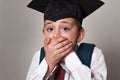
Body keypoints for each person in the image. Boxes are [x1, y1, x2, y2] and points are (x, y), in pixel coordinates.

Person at [26, 0, 107, 80]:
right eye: (50, 29)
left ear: (79, 35)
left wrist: (70, 58)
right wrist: (49, 63)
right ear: (44, 34)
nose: (56, 35)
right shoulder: (39, 55)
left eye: (65, 28)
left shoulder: (93, 54)